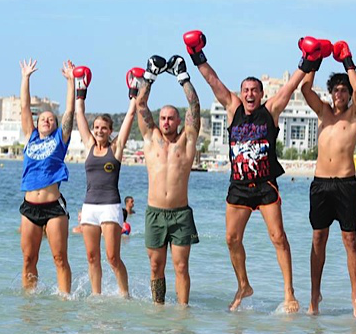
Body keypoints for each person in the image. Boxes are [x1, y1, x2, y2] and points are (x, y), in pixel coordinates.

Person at [185, 30, 321, 313]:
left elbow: (290, 88)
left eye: (254, 90)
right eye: (245, 90)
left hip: (265, 185)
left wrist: (306, 61)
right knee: (231, 239)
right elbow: (213, 80)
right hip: (238, 186)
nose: (249, 94)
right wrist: (196, 54)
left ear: (261, 94)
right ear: (241, 93)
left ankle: (289, 293)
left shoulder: (270, 111)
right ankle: (243, 285)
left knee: (278, 237)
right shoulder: (232, 107)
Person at [300, 39, 356, 317]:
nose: (340, 93)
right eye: (336, 90)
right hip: (320, 184)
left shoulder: (354, 114)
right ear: (330, 93)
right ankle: (314, 297)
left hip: (345, 183)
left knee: (350, 239)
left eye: (344, 90)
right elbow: (304, 88)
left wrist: (346, 60)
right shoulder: (323, 111)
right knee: (318, 238)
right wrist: (314, 59)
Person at [136, 54, 201, 306]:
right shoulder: (151, 137)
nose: (166, 122)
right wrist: (149, 77)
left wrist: (182, 77)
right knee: (155, 266)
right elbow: (141, 104)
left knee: (181, 266)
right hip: (154, 213)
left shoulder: (187, 140)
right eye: (162, 117)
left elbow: (194, 106)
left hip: (180, 214)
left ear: (178, 120)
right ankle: (158, 309)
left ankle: (183, 311)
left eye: (171, 118)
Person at [75, 66, 138, 296]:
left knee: (112, 257)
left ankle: (125, 294)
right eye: (97, 127)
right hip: (89, 206)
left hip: (111, 206)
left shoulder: (116, 148)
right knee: (92, 257)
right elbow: (79, 114)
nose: (100, 130)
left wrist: (133, 93)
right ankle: (96, 295)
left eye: (104, 128)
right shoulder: (89, 146)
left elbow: (130, 117)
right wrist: (80, 89)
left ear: (110, 130)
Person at [18, 59, 75, 294]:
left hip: (53, 207)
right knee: (29, 258)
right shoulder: (30, 137)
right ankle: (30, 302)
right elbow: (24, 107)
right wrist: (25, 78)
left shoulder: (60, 140)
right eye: (43, 118)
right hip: (29, 207)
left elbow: (69, 112)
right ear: (37, 123)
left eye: (51, 119)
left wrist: (71, 82)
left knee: (59, 257)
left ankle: (64, 299)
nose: (47, 121)